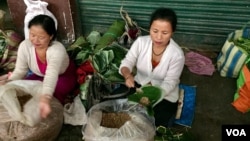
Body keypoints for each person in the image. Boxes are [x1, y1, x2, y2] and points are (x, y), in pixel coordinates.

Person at [0, 14, 77, 119]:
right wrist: (9, 82)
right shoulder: (25, 46)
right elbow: (20, 71)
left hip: (62, 76)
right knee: (22, 88)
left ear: (51, 36)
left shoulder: (57, 49)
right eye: (32, 35)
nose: (35, 40)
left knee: (53, 92)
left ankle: (55, 114)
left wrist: (46, 97)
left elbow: (51, 74)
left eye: (41, 37)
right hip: (39, 76)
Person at [119, 7, 185, 127]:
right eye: (155, 31)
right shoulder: (141, 42)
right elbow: (127, 62)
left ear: (172, 33)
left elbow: (170, 82)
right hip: (138, 85)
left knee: (154, 123)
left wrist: (151, 96)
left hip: (163, 93)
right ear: (149, 28)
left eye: (165, 33)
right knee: (117, 108)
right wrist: (128, 75)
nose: (159, 37)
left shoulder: (177, 55)